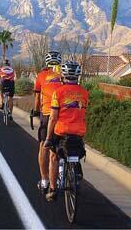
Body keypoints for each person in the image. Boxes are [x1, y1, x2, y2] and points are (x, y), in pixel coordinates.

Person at [43, 61, 89, 201]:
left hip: (62, 131)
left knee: (54, 157)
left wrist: (48, 138)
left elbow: (53, 118)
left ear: (63, 76)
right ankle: (76, 170)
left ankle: (52, 189)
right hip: (79, 131)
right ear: (77, 76)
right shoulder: (84, 93)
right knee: (75, 147)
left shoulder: (58, 92)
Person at [32, 51, 62, 193]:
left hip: (47, 113)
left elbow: (37, 98)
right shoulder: (64, 75)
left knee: (44, 146)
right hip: (64, 115)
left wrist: (35, 110)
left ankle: (44, 181)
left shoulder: (41, 75)